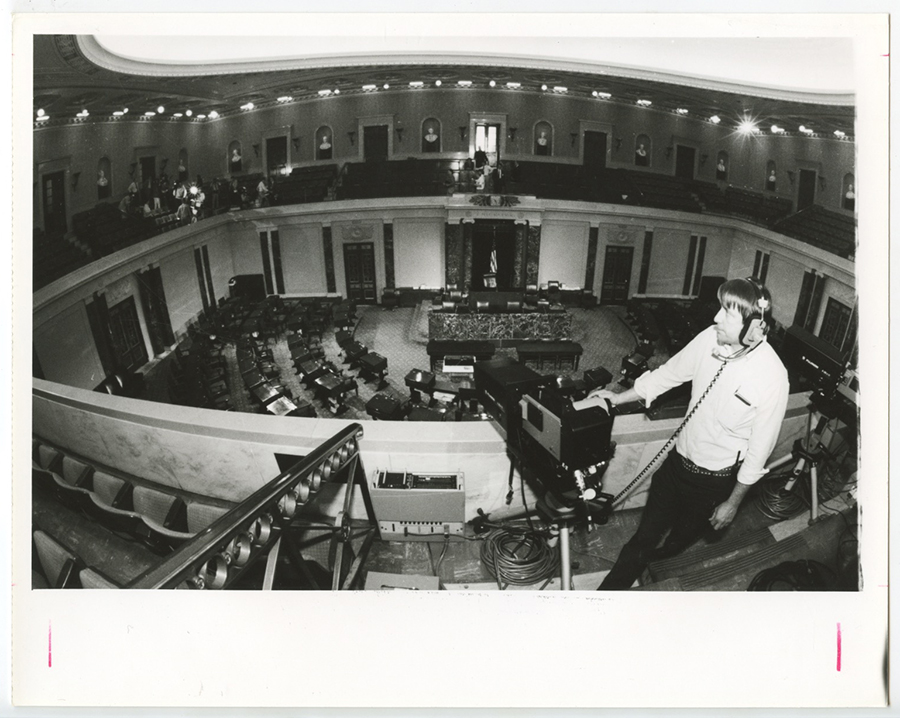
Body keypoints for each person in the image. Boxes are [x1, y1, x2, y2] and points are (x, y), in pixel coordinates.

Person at [591, 278, 789, 590]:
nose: (716, 318)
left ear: (753, 327)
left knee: (680, 540)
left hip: (713, 484)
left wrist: (733, 503)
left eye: (727, 313)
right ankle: (607, 596)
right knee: (644, 538)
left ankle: (661, 564)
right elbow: (666, 376)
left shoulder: (773, 377)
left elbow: (759, 451)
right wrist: (616, 399)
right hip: (675, 467)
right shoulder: (710, 338)